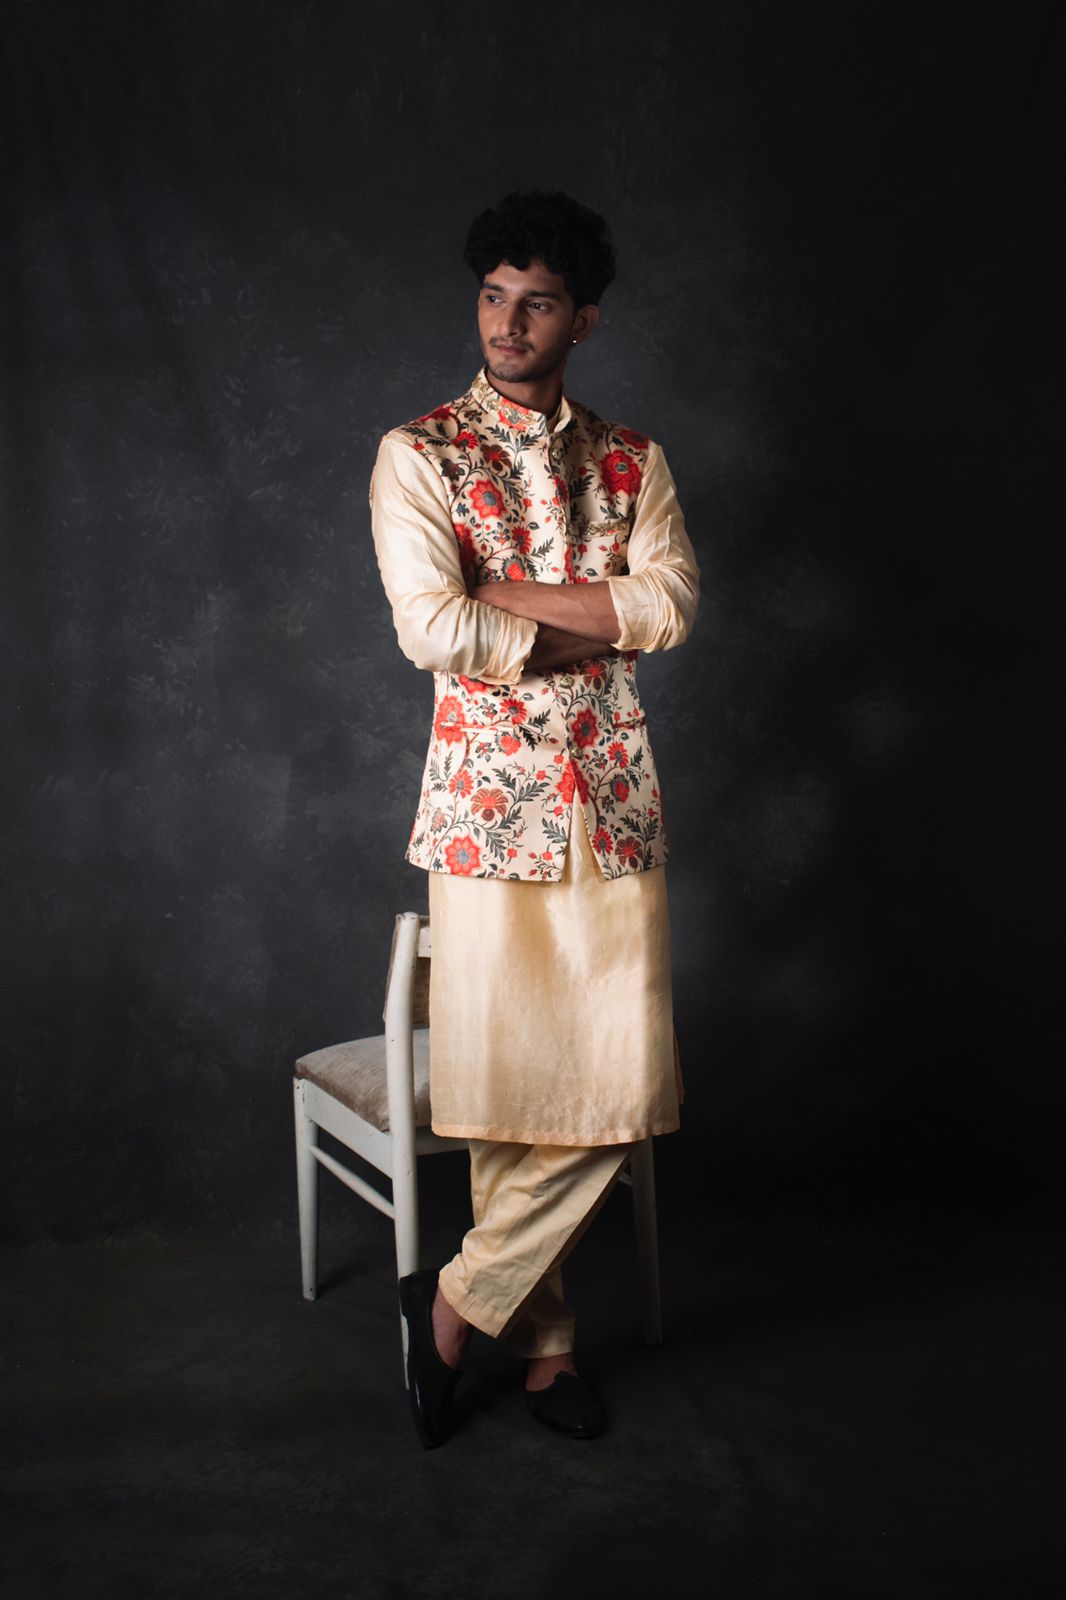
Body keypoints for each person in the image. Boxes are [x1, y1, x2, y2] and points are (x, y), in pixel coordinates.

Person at [368, 189, 700, 1447]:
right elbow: (432, 627)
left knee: (624, 1080)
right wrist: (591, 614)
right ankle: (550, 1352)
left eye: (539, 303)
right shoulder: (419, 453)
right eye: (494, 298)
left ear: (584, 320)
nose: (508, 324)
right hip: (482, 809)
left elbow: (670, 607)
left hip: (612, 801)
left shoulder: (634, 460)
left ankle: (453, 1303)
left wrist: (508, 596)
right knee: (510, 1094)